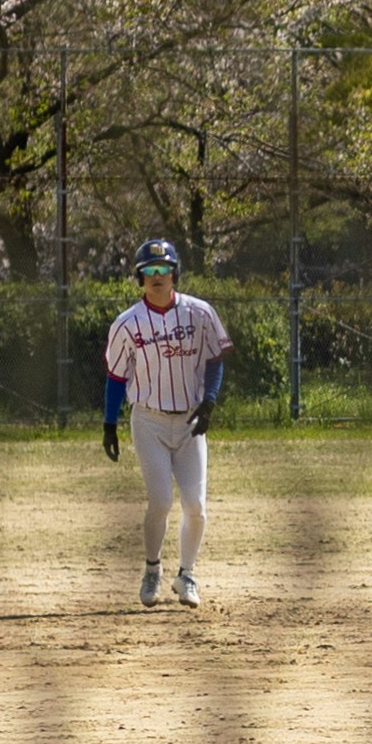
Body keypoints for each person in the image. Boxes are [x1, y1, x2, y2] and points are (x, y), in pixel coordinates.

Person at [98, 237, 231, 611]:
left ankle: (186, 574)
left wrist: (209, 402)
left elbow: (215, 358)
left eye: (163, 269)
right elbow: (116, 377)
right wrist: (110, 424)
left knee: (196, 505)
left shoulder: (199, 313)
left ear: (174, 273)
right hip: (150, 421)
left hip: (190, 422)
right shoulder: (127, 324)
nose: (157, 277)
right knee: (160, 501)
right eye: (149, 271)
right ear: (140, 278)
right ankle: (153, 569)